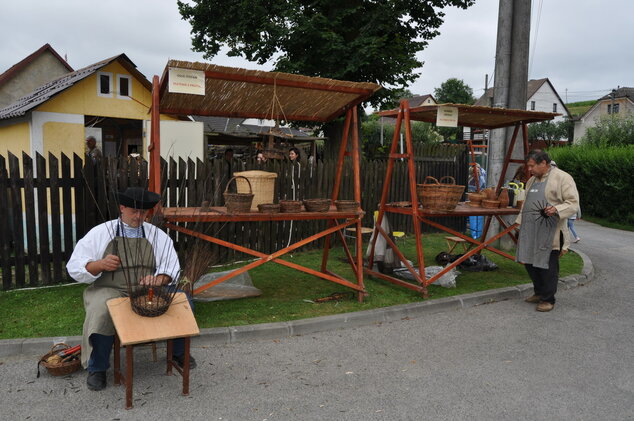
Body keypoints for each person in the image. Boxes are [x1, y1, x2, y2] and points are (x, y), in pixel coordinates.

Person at [67, 187, 195, 392]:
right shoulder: (101, 232)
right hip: (110, 288)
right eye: (134, 211)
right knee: (102, 309)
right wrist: (99, 265)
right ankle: (97, 368)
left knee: (182, 301)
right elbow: (74, 266)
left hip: (146, 291)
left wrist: (159, 279)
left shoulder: (157, 235)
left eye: (144, 213)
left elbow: (171, 267)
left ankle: (178, 353)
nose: (139, 217)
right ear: (122, 208)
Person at [515, 150, 580, 312]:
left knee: (547, 266)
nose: (529, 169)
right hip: (531, 231)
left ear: (543, 163)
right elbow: (526, 206)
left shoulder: (563, 178)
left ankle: (548, 299)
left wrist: (555, 209)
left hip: (552, 232)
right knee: (530, 262)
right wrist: (519, 225)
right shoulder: (531, 181)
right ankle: (539, 292)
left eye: (532, 166)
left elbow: (573, 203)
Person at [467, 163, 487, 239]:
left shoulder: (483, 175)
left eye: (478, 172)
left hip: (481, 199)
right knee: (474, 217)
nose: (477, 173)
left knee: (479, 217)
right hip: (474, 200)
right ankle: (475, 234)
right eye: (475, 172)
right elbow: (472, 188)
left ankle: (478, 234)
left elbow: (483, 185)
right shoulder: (471, 179)